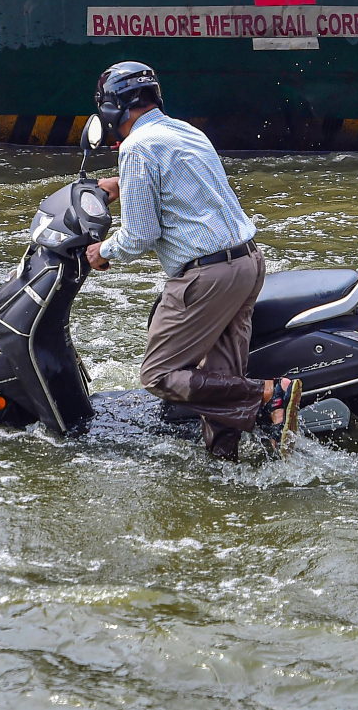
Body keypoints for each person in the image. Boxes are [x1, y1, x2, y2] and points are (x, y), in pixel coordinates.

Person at [84, 61, 302, 460]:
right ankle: (225, 467)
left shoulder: (135, 147)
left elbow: (140, 235)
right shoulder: (184, 130)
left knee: (159, 374)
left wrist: (103, 251)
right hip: (247, 263)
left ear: (115, 107)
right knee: (221, 380)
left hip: (207, 274)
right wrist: (123, 184)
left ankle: (271, 393)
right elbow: (189, 188)